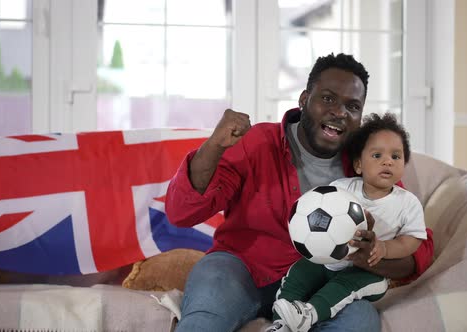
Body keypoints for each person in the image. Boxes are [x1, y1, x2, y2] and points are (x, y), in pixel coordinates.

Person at [165, 53, 434, 332]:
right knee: (210, 289)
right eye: (328, 99)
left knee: (361, 319)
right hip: (242, 269)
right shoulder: (258, 142)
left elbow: (417, 246)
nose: (340, 112)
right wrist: (213, 146)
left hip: (321, 285)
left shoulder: (366, 162)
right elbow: (181, 212)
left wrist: (374, 256)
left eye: (352, 106)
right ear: (304, 99)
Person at [267, 113, 427, 332]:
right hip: (327, 261)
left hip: (369, 273)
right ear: (359, 165)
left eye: (396, 156)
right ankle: (281, 324)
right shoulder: (341, 189)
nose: (387, 161)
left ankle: (309, 315)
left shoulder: (407, 202)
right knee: (297, 274)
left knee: (342, 287)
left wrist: (384, 248)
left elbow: (412, 240)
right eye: (377, 155)